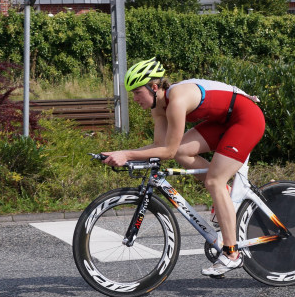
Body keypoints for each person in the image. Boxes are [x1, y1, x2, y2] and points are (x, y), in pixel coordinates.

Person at [101, 58, 266, 277]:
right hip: (224, 120)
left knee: (213, 180)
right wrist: (123, 155)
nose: (135, 98)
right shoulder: (158, 109)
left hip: (246, 118)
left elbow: (166, 151)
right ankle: (226, 195)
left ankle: (231, 254)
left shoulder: (176, 101)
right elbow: (161, 147)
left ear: (154, 87)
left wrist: (127, 154)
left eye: (137, 92)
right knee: (182, 152)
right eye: (132, 93)